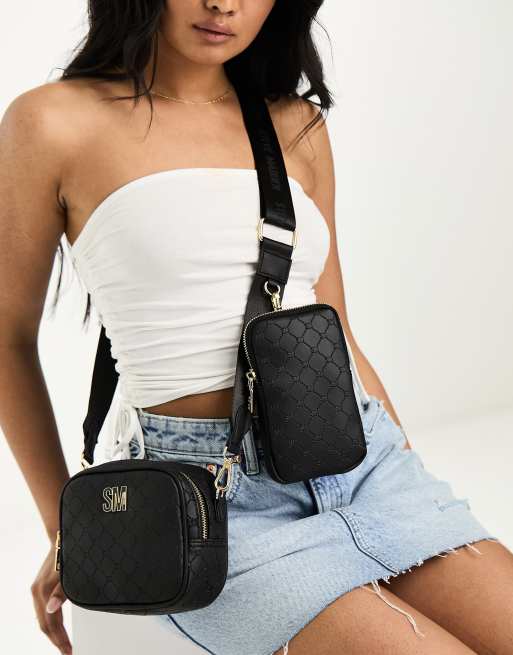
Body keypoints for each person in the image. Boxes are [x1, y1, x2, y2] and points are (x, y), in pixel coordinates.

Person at [1, 1, 512, 654]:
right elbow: (7, 337)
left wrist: (409, 473)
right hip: (209, 501)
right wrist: (69, 529)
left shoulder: (295, 124)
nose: (225, 4)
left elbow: (336, 332)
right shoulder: (52, 122)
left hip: (364, 464)